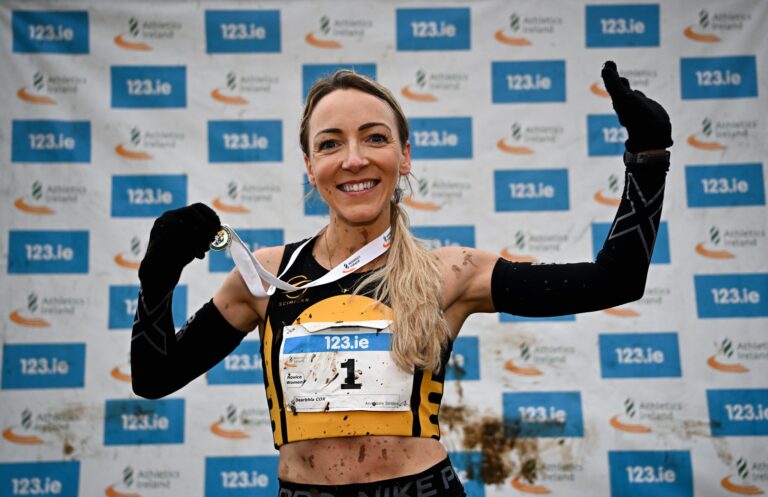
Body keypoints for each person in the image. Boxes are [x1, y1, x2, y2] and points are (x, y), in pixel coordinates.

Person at [131, 61, 672, 497]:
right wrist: (158, 278)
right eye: (330, 143)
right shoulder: (267, 276)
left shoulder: (450, 273)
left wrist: (647, 157)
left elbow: (614, 281)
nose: (354, 159)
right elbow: (155, 377)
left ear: (404, 155)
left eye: (374, 138)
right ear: (309, 164)